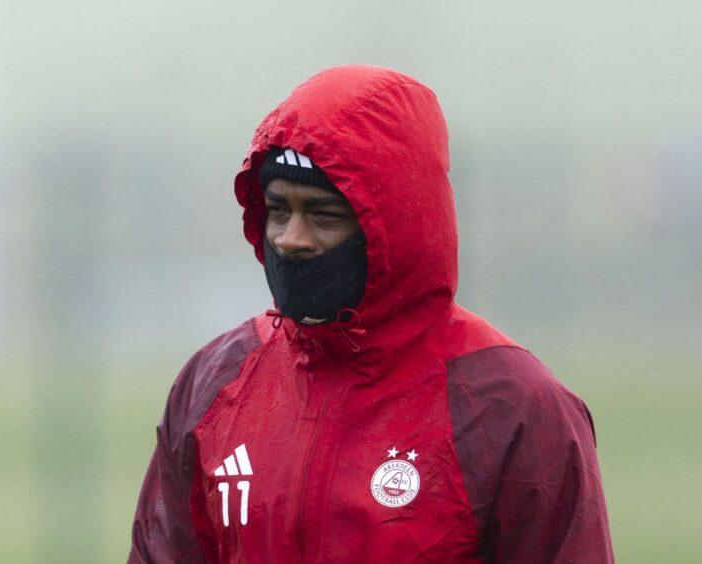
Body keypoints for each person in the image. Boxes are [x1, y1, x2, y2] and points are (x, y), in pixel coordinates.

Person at [128, 65, 613, 563]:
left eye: (323, 215)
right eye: (278, 210)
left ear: (395, 225)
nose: (291, 238)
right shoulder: (214, 383)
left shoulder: (511, 404)